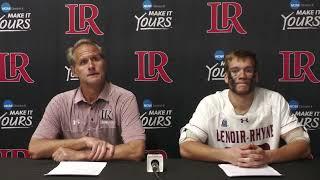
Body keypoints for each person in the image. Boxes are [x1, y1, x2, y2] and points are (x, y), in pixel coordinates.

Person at [179, 50, 311, 167]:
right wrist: (226, 155)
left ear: (256, 76)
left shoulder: (274, 100)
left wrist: (268, 156)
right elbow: (186, 147)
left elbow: (302, 145)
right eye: (235, 71)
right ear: (226, 77)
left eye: (248, 70)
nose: (242, 76)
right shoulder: (211, 104)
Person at [28, 39, 145, 161]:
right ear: (74, 71)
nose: (91, 66)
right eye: (83, 62)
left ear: (104, 63)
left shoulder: (124, 98)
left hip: (112, 173)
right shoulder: (60, 102)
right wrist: (83, 142)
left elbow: (136, 150)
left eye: (95, 59)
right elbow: (35, 148)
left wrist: (82, 155)